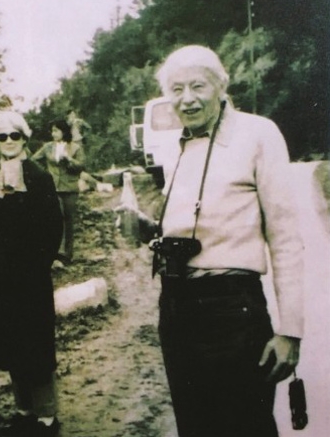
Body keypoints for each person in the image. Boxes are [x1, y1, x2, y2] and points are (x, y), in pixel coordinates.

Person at [124, 45, 304, 437]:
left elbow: (286, 237)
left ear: (221, 86)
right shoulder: (178, 145)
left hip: (233, 311)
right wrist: (149, 229)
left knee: (245, 427)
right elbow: (192, 224)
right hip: (176, 309)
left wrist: (290, 330)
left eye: (197, 86)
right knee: (196, 427)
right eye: (176, 90)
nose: (186, 99)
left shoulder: (258, 134)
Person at [0, 111, 63, 437]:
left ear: (24, 138)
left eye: (14, 135)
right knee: (11, 345)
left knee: (35, 345)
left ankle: (47, 417)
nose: (8, 141)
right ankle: (24, 413)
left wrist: (37, 266)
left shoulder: (38, 177)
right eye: (2, 136)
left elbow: (53, 229)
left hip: (30, 278)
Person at [32, 118, 85, 264]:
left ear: (64, 131)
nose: (53, 134)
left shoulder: (75, 147)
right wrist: (44, 173)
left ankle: (67, 255)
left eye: (56, 131)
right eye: (52, 131)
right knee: (55, 219)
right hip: (53, 187)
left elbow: (81, 165)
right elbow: (33, 160)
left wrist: (69, 160)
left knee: (68, 220)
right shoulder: (48, 147)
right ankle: (56, 252)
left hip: (70, 188)